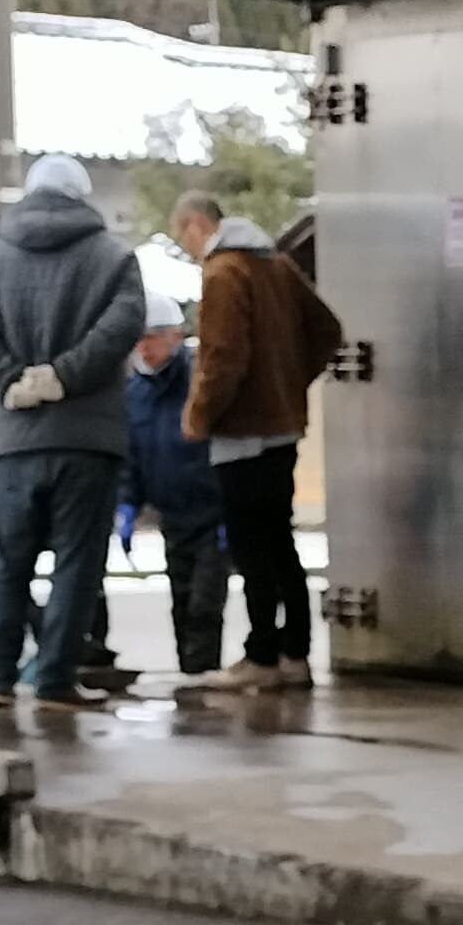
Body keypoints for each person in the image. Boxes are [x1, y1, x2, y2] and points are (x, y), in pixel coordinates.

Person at [0, 152, 146, 708]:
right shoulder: (114, 257)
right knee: (76, 564)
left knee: (8, 560)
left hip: (14, 441)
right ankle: (55, 679)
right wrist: (63, 377)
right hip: (88, 442)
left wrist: (9, 380)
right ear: (82, 195)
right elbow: (123, 324)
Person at [173, 192, 347, 695]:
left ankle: (261, 655)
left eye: (183, 236)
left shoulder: (224, 272)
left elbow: (222, 356)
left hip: (241, 434)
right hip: (283, 429)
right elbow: (328, 329)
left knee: (251, 548)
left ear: (197, 225)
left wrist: (199, 415)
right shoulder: (277, 265)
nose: (187, 249)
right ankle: (296, 653)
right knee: (281, 542)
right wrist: (289, 383)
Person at [121, 313, 230, 683]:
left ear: (175, 337)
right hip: (173, 516)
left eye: (152, 338)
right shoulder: (136, 395)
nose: (143, 348)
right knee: (181, 600)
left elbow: (222, 444)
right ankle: (190, 681)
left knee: (204, 604)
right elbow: (132, 458)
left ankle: (202, 677)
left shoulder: (201, 383)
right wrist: (127, 505)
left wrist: (231, 508)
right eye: (138, 340)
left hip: (212, 515)